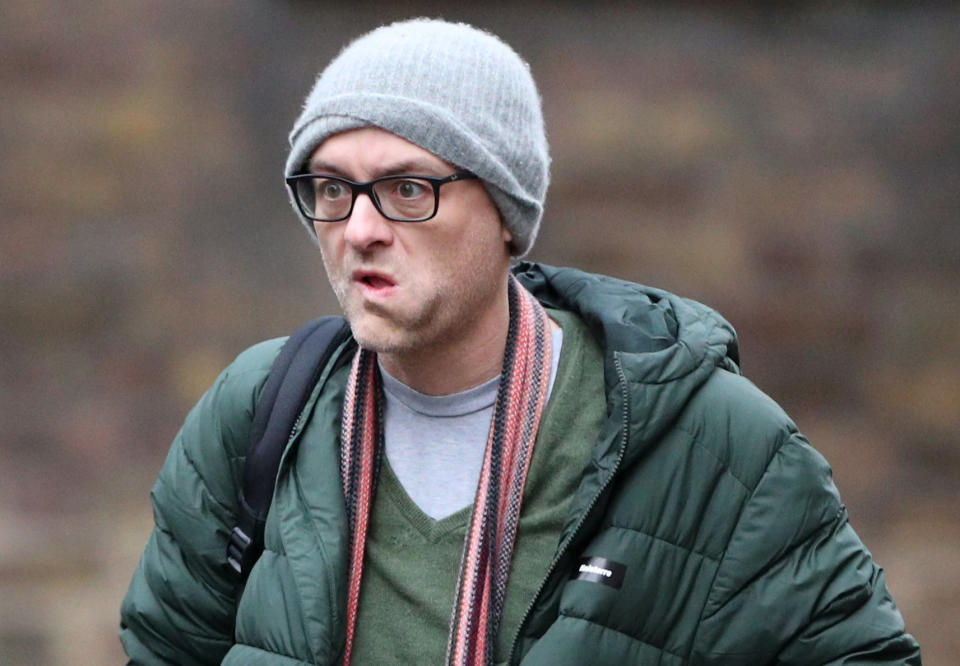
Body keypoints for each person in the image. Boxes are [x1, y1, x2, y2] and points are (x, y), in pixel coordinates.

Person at [120, 18, 921, 666]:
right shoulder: (263, 409)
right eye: (331, 189)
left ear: (506, 212)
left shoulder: (708, 442)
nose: (359, 230)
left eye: (408, 189)